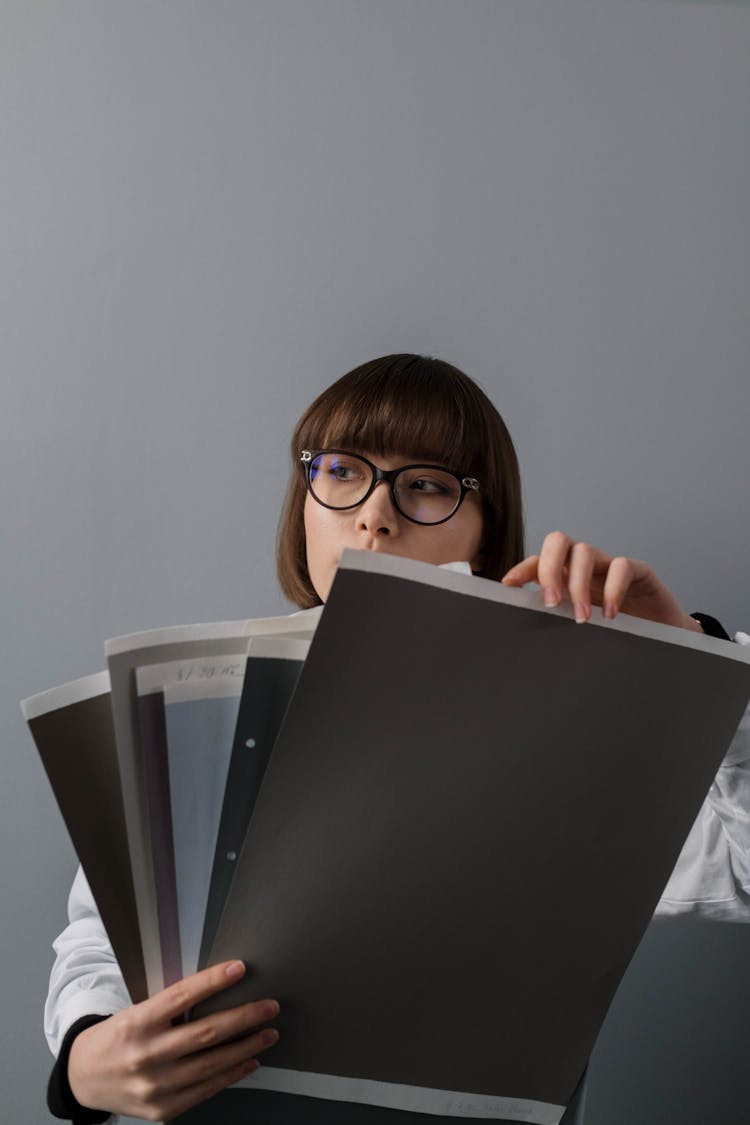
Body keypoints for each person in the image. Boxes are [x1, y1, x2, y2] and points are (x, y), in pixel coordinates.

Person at [45, 354, 750, 1124]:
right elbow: (101, 942)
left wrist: (694, 658)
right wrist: (83, 1059)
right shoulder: (200, 701)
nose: (374, 514)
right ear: (303, 501)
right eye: (342, 470)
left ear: (486, 531)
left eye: (426, 483)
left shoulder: (564, 721)